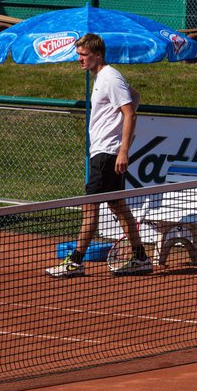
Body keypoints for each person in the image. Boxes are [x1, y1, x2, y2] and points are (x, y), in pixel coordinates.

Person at [46, 33, 151, 277]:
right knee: (117, 205)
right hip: (105, 152)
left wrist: (122, 150)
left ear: (98, 55)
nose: (79, 59)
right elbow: (134, 97)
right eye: (78, 55)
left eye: (83, 55)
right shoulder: (104, 77)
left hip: (107, 154)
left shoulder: (110, 77)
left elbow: (130, 113)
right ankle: (140, 257)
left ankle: (75, 261)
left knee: (89, 207)